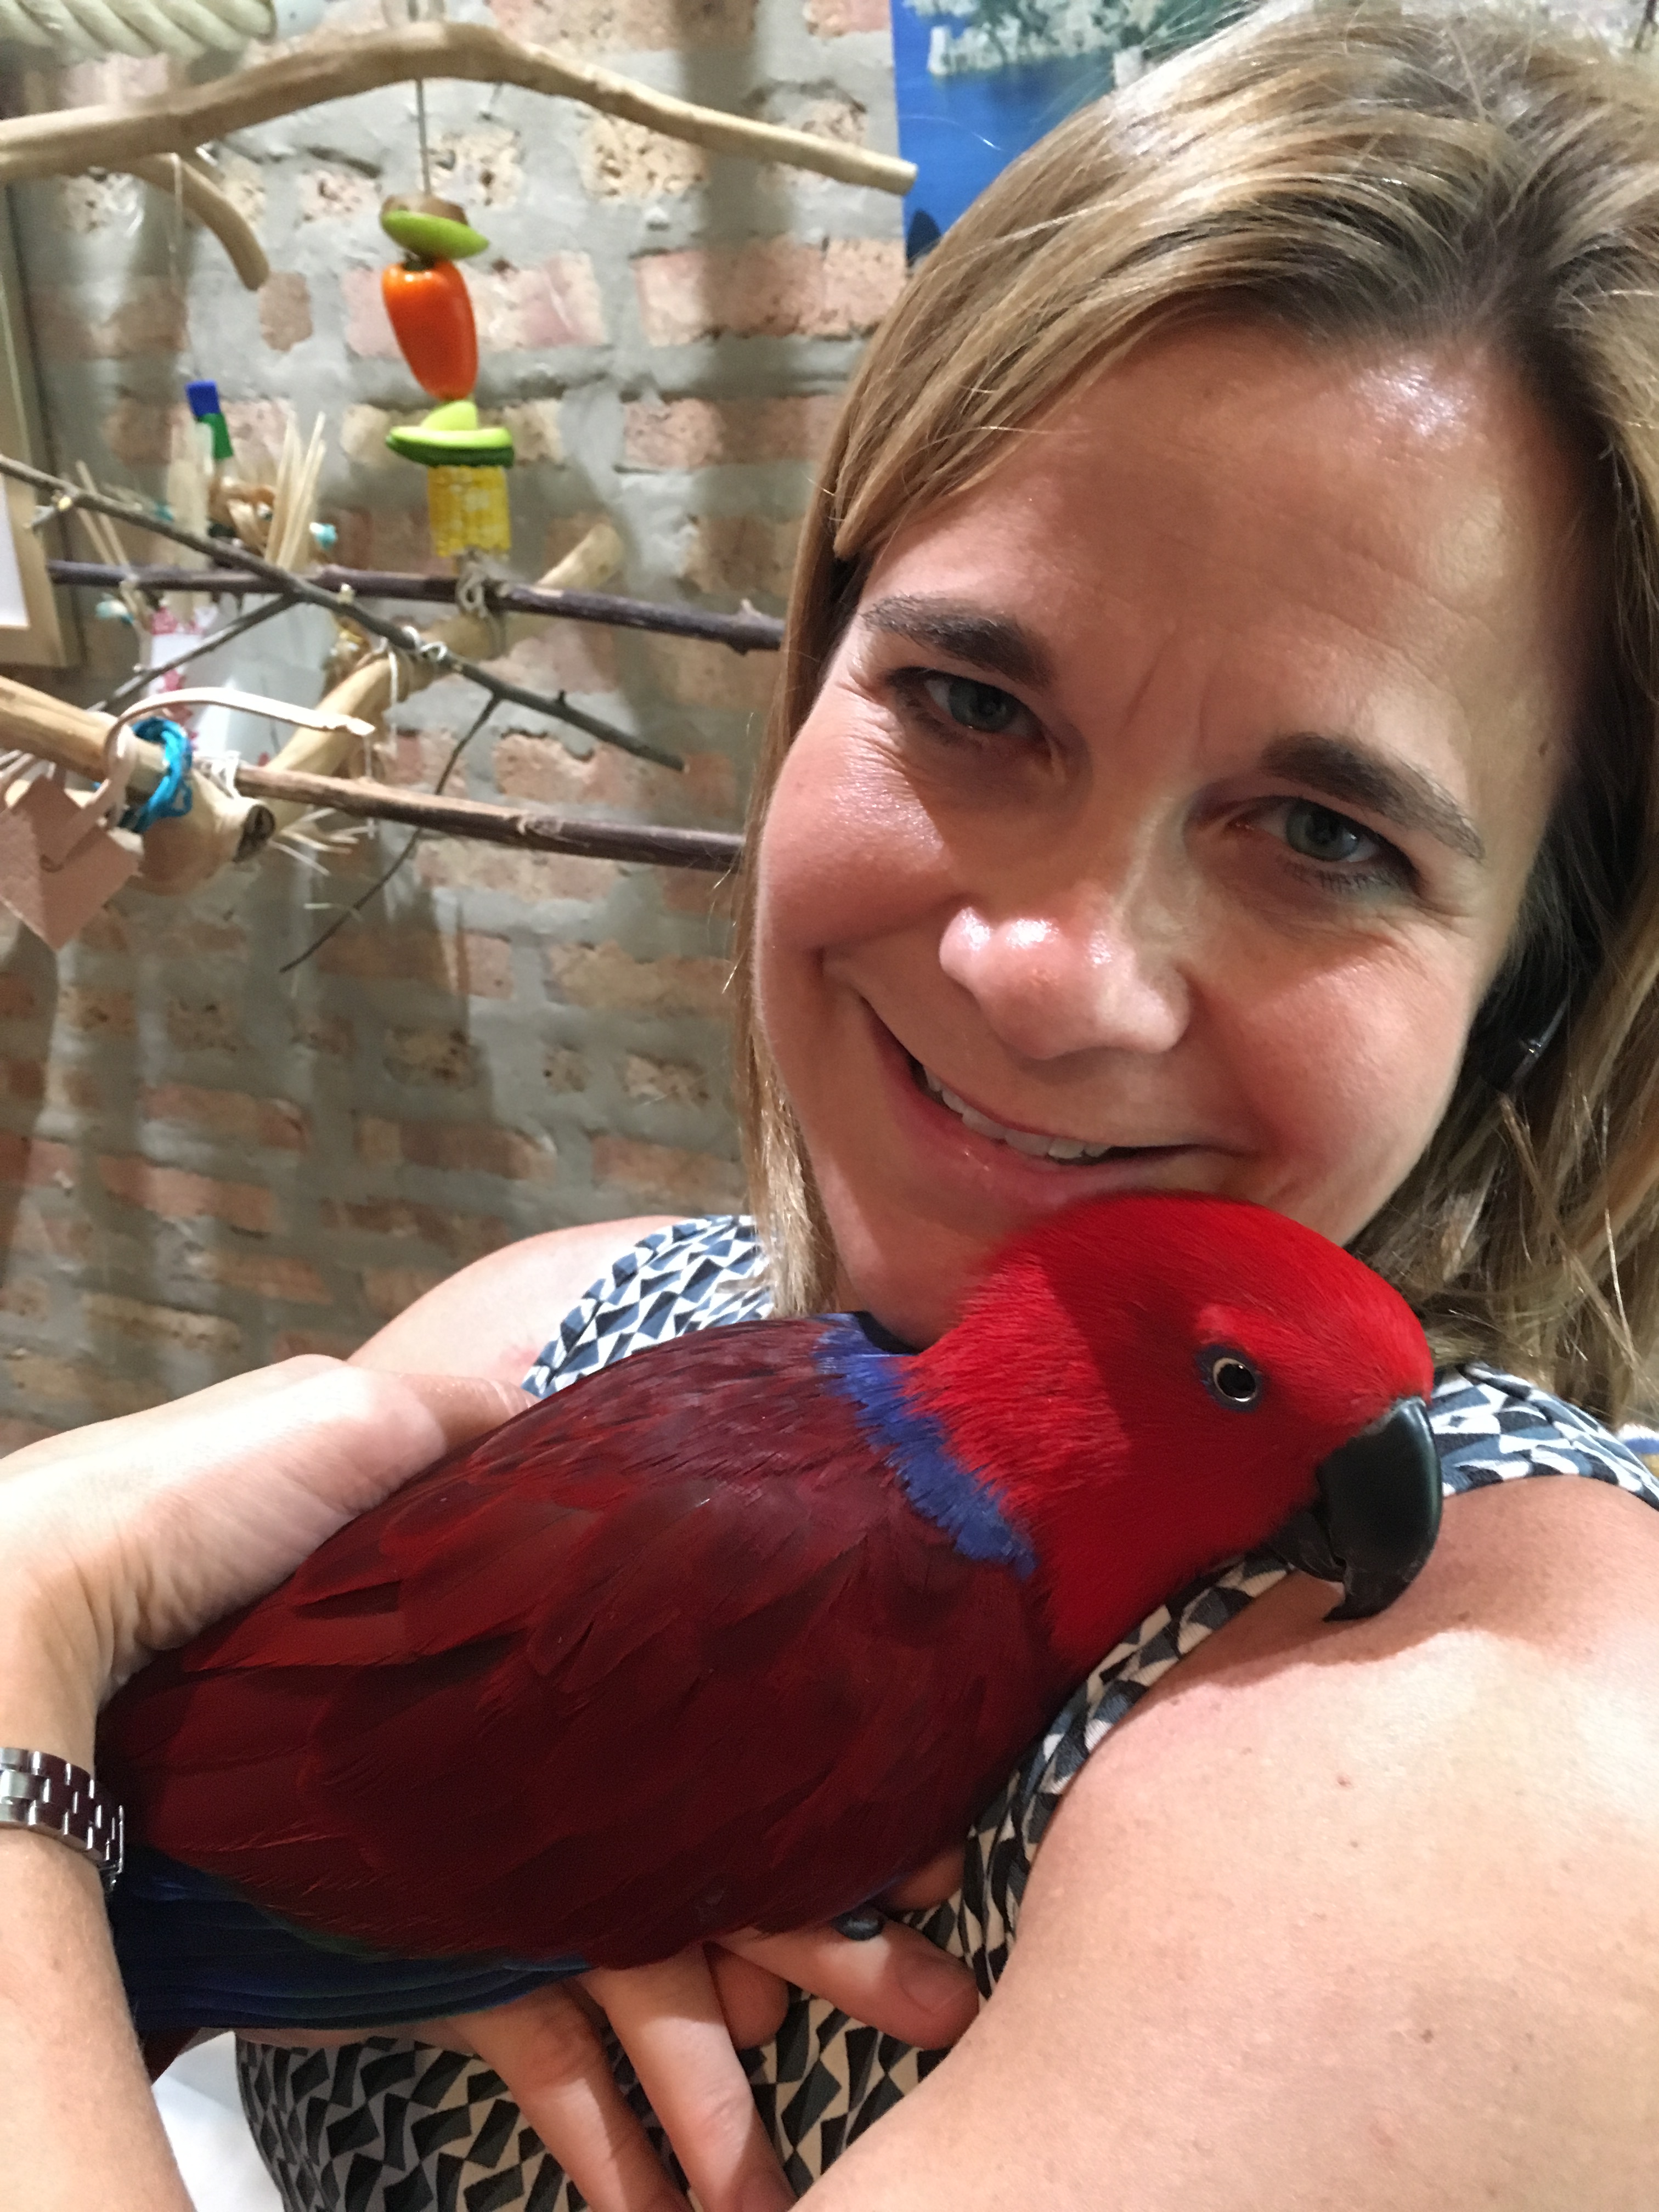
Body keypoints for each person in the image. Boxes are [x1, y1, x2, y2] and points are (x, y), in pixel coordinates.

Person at [10, 0, 1659, 2203]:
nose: (1042, 978)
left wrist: (21, 1644)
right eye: (971, 698)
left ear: (1537, 967)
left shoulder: (1517, 1755)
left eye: (1326, 833)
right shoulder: (584, 1312)